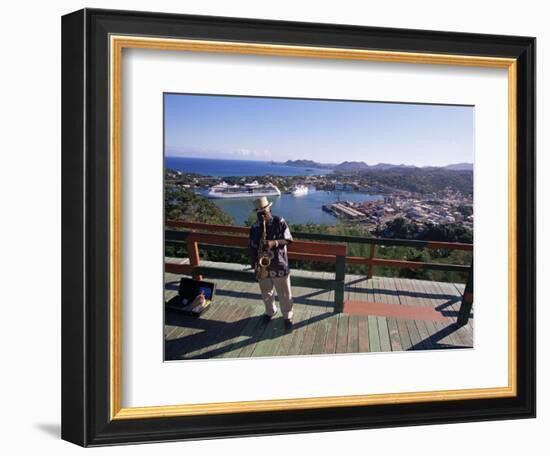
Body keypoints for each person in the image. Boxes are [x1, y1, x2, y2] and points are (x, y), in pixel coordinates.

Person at [249, 197, 294, 330]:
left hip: (279, 264)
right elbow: (251, 246)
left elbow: (289, 240)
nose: (262, 214)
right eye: (259, 212)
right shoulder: (255, 227)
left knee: (285, 294)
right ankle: (270, 311)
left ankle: (287, 315)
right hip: (263, 266)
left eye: (264, 210)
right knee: (266, 293)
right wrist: (254, 264)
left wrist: (273, 243)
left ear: (269, 208)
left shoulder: (279, 221)